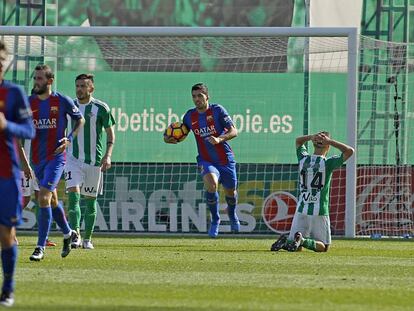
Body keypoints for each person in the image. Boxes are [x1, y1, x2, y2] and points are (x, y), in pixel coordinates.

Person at [164, 83, 239, 238]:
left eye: (199, 96)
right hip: (206, 160)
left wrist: (219, 139)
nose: (196, 99)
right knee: (211, 185)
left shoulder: (217, 110)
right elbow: (179, 132)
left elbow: (234, 131)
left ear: (207, 97)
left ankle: (232, 215)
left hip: (225, 159)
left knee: (230, 192)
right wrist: (168, 139)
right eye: (194, 96)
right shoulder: (189, 116)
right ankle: (215, 219)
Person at [28, 64, 85, 261]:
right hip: (37, 159)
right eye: (35, 78)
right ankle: (69, 233)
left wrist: (69, 138)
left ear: (50, 81)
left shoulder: (61, 101)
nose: (37, 82)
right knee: (51, 201)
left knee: (42, 198)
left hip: (56, 157)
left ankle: (40, 247)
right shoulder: (29, 102)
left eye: (40, 78)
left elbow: (80, 120)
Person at [271, 131, 354, 252]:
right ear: (328, 147)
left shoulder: (303, 159)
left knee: (296, 247)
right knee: (323, 247)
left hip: (301, 208)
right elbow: (350, 151)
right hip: (319, 210)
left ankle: (287, 241)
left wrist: (311, 137)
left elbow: (298, 141)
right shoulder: (327, 163)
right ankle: (302, 240)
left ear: (314, 144)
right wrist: (329, 141)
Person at [0, 39, 35, 307]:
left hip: (6, 174)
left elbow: (29, 131)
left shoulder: (13, 93)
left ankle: (8, 288)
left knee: (6, 234)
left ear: (7, 61)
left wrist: (6, 124)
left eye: (2, 58)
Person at [65, 73, 115, 249]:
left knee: (90, 201)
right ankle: (75, 234)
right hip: (72, 159)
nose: (79, 89)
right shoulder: (70, 106)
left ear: (91, 88)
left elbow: (110, 135)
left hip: (94, 162)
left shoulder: (101, 108)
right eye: (77, 86)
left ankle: (88, 239)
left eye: (83, 86)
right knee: (73, 197)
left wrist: (108, 155)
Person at [18, 139, 56, 247]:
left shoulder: (45, 122)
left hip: (41, 166)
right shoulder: (22, 122)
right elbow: (17, 141)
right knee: (23, 200)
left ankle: (44, 237)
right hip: (24, 166)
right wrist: (25, 164)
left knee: (43, 198)